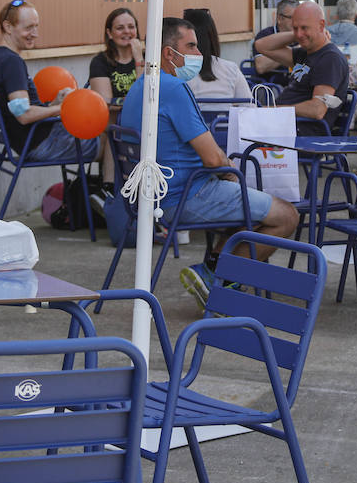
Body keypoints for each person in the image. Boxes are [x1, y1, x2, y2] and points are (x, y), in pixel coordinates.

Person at [120, 18, 299, 309]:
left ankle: (214, 272)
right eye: (190, 46)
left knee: (248, 207)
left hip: (152, 196)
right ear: (169, 53)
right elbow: (213, 158)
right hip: (186, 195)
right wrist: (232, 175)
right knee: (286, 215)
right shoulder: (174, 88)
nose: (198, 54)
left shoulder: (141, 86)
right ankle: (215, 275)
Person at [0, 0, 98, 160]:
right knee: (108, 140)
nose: (35, 34)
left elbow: (19, 109)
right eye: (28, 28)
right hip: (38, 143)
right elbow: (23, 114)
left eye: (36, 26)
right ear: (8, 27)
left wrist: (54, 103)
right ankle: (107, 186)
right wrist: (63, 108)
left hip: (27, 140)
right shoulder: (11, 62)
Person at [254, 0, 351, 135]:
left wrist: (275, 110)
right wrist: (297, 35)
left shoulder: (330, 59)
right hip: (285, 126)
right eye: (295, 28)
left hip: (301, 132)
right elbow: (261, 46)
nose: (299, 34)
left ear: (321, 25)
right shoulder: (305, 52)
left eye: (304, 28)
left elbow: (317, 110)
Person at [183, 7, 251, 99]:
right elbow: (248, 106)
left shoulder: (176, 73)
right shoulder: (231, 69)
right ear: (213, 37)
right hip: (225, 113)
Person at [87, 7, 144, 106]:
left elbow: (151, 93)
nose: (126, 31)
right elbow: (106, 105)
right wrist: (139, 63)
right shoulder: (100, 62)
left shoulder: (149, 57)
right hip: (116, 120)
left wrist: (139, 58)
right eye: (120, 28)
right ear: (109, 33)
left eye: (131, 27)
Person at [252, 0, 299, 83]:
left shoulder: (302, 36)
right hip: (272, 87)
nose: (297, 22)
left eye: (299, 17)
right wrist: (293, 53)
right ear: (280, 19)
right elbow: (261, 67)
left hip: (297, 86)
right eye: (293, 18)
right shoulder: (265, 35)